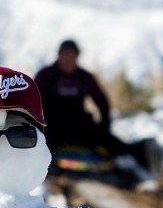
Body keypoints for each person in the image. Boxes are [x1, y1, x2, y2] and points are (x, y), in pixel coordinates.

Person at [35, 39, 149, 169]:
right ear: (59, 55)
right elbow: (31, 101)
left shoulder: (84, 77)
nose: (68, 58)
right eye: (65, 54)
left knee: (105, 140)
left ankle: (138, 152)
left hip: (79, 126)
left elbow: (101, 101)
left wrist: (105, 124)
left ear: (77, 57)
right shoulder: (45, 75)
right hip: (52, 127)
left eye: (72, 55)